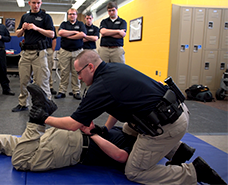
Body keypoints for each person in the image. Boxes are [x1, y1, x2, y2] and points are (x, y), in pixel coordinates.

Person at [31, 50, 227, 185]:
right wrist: (105, 130)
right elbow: (116, 108)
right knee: (127, 128)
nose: (79, 78)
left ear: (90, 67)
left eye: (79, 73)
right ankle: (177, 151)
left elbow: (74, 124)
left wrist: (44, 118)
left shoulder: (100, 87)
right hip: (176, 111)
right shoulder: (115, 68)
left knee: (135, 172)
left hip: (167, 126)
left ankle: (193, 172)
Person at [0, 84, 196, 173]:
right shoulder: (140, 150)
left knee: (20, 147)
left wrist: (97, 129)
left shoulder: (135, 130)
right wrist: (94, 133)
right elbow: (121, 157)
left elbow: (114, 121)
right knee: (22, 160)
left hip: (70, 135)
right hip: (75, 146)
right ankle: (37, 118)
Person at [12, 0, 55, 112]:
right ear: (29, 3)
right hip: (26, 53)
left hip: (39, 53)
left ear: (41, 3)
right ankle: (23, 103)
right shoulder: (25, 17)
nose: (36, 5)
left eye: (38, 3)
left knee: (42, 82)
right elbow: (18, 34)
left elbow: (52, 34)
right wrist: (23, 28)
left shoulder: (46, 17)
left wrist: (36, 28)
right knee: (23, 80)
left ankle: (45, 105)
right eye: (34, 2)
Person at [55, 8, 86, 100]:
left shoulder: (80, 24)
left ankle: (76, 91)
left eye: (73, 14)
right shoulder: (64, 24)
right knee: (64, 72)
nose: (72, 16)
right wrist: (75, 33)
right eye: (70, 14)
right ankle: (62, 91)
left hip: (77, 51)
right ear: (68, 15)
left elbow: (83, 35)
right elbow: (60, 32)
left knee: (76, 72)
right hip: (65, 51)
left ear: (76, 15)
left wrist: (68, 36)